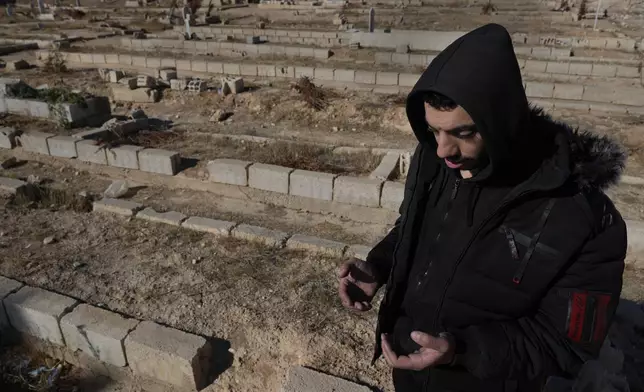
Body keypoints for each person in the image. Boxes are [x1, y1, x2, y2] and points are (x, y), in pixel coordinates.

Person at [337, 23, 628, 392]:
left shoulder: (585, 218)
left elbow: (565, 344)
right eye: (434, 131)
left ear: (502, 120)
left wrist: (462, 351)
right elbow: (414, 230)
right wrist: (379, 265)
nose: (443, 149)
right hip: (410, 373)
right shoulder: (437, 162)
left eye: (462, 133)